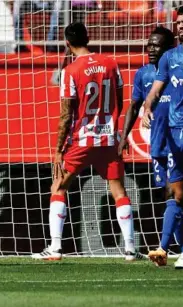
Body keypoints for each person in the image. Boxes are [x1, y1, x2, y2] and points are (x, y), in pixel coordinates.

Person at [31, 22, 144, 261]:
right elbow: (120, 100)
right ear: (89, 37)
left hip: (82, 141)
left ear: (67, 43)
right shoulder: (112, 63)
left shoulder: (70, 71)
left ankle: (55, 248)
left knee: (58, 187)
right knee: (119, 191)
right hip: (108, 139)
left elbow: (65, 114)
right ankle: (131, 248)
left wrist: (58, 149)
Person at [119, 26, 183, 266]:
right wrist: (124, 134)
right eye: (149, 44)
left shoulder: (180, 69)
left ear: (169, 48)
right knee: (173, 196)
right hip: (157, 144)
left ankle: (171, 248)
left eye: (157, 45)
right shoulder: (144, 74)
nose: (151, 49)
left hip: (180, 141)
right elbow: (134, 105)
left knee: (175, 193)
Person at [142, 5, 183, 269]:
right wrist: (148, 105)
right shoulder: (169, 58)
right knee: (177, 194)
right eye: (179, 22)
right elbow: (156, 88)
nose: (181, 26)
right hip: (175, 134)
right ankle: (164, 249)